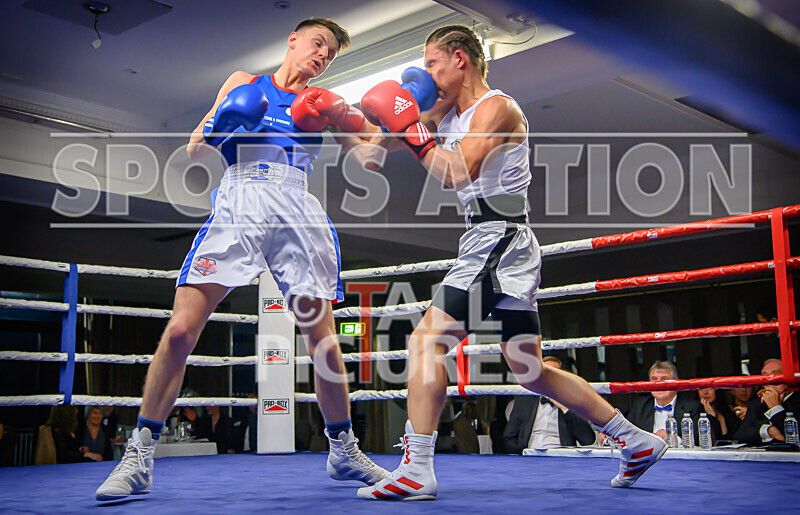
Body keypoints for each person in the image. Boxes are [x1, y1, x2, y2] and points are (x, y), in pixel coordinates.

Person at [355, 25, 667, 500]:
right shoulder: (443, 111)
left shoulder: (499, 107)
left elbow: (458, 172)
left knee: (425, 341)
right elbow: (372, 152)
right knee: (531, 370)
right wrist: (361, 115)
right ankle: (635, 439)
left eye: (433, 62)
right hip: (494, 242)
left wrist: (413, 129)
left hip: (498, 239)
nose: (428, 73)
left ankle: (416, 467)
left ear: (460, 59)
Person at [95, 18, 389, 501]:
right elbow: (195, 148)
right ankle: (139, 453)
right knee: (181, 330)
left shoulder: (323, 103)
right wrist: (229, 119)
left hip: (297, 204)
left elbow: (370, 160)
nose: (323, 56)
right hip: (241, 196)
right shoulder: (244, 83)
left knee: (325, 343)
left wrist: (392, 123)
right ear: (292, 39)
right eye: (318, 44)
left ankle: (343, 448)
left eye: (331, 53)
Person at [500, 356, 595, 453]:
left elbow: (587, 440)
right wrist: (523, 453)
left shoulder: (572, 400)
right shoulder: (525, 399)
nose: (549, 376)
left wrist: (564, 406)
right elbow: (508, 438)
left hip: (561, 456)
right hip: (530, 455)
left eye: (554, 372)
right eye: (546, 371)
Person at [605, 361, 701, 446]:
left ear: (675, 383)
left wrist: (674, 439)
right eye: (654, 379)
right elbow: (627, 432)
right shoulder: (640, 405)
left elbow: (701, 439)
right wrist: (609, 434)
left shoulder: (692, 407)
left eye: (664, 379)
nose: (658, 384)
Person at [734, 359, 800, 445]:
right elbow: (740, 436)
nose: (769, 381)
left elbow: (792, 437)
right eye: (765, 377)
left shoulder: (797, 400)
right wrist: (768, 431)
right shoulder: (756, 404)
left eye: (774, 376)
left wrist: (775, 408)